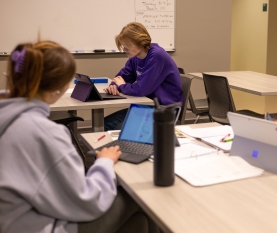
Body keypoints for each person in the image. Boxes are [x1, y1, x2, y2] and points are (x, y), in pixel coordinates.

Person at [0, 41, 158, 233]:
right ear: (58, 87)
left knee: (138, 222)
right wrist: (104, 163)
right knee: (139, 196)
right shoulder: (43, 133)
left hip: (15, 219)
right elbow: (86, 201)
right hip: (42, 226)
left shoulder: (8, 117)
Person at [104, 22, 182, 131]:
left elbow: (141, 90)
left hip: (164, 111)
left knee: (119, 128)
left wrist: (121, 86)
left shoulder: (156, 56)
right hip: (147, 107)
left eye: (127, 45)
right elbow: (122, 77)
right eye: (123, 45)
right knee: (104, 124)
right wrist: (114, 85)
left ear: (140, 42)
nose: (124, 49)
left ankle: (125, 148)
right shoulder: (135, 57)